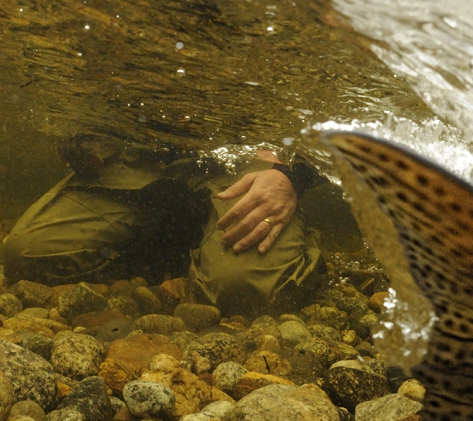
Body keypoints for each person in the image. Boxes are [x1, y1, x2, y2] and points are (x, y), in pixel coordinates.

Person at [2, 135, 326, 316]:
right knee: (26, 254)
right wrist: (78, 141)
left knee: (244, 292)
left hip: (247, 157)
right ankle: (175, 248)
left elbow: (346, 120)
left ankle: (299, 244)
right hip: (141, 156)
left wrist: (293, 176)